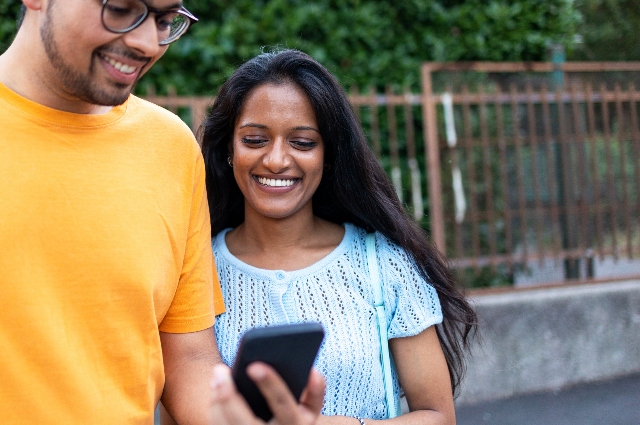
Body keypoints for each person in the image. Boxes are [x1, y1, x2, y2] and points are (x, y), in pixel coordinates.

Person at [0, 1, 324, 424]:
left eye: (165, 19)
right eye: (120, 8)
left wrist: (241, 418)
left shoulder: (170, 146)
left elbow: (187, 356)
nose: (147, 42)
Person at [200, 49, 478, 425]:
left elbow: (438, 416)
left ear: (328, 155)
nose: (277, 160)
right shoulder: (197, 271)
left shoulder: (383, 264)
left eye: (302, 142)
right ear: (228, 150)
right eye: (254, 140)